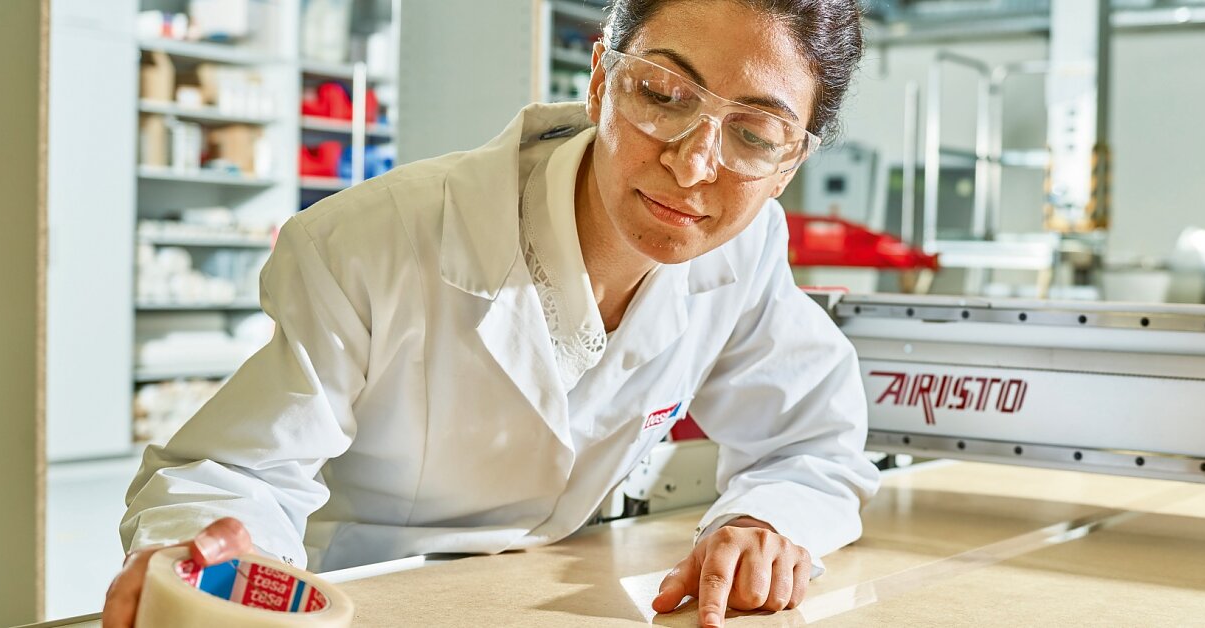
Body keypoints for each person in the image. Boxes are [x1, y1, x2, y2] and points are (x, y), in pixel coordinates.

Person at [102, 1, 874, 626]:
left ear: (788, 166)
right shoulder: (369, 240)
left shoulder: (743, 251)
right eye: (664, 96)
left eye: (753, 134)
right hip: (372, 601)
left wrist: (766, 523)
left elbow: (814, 442)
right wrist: (201, 550)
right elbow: (235, 473)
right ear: (602, 77)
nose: (694, 162)